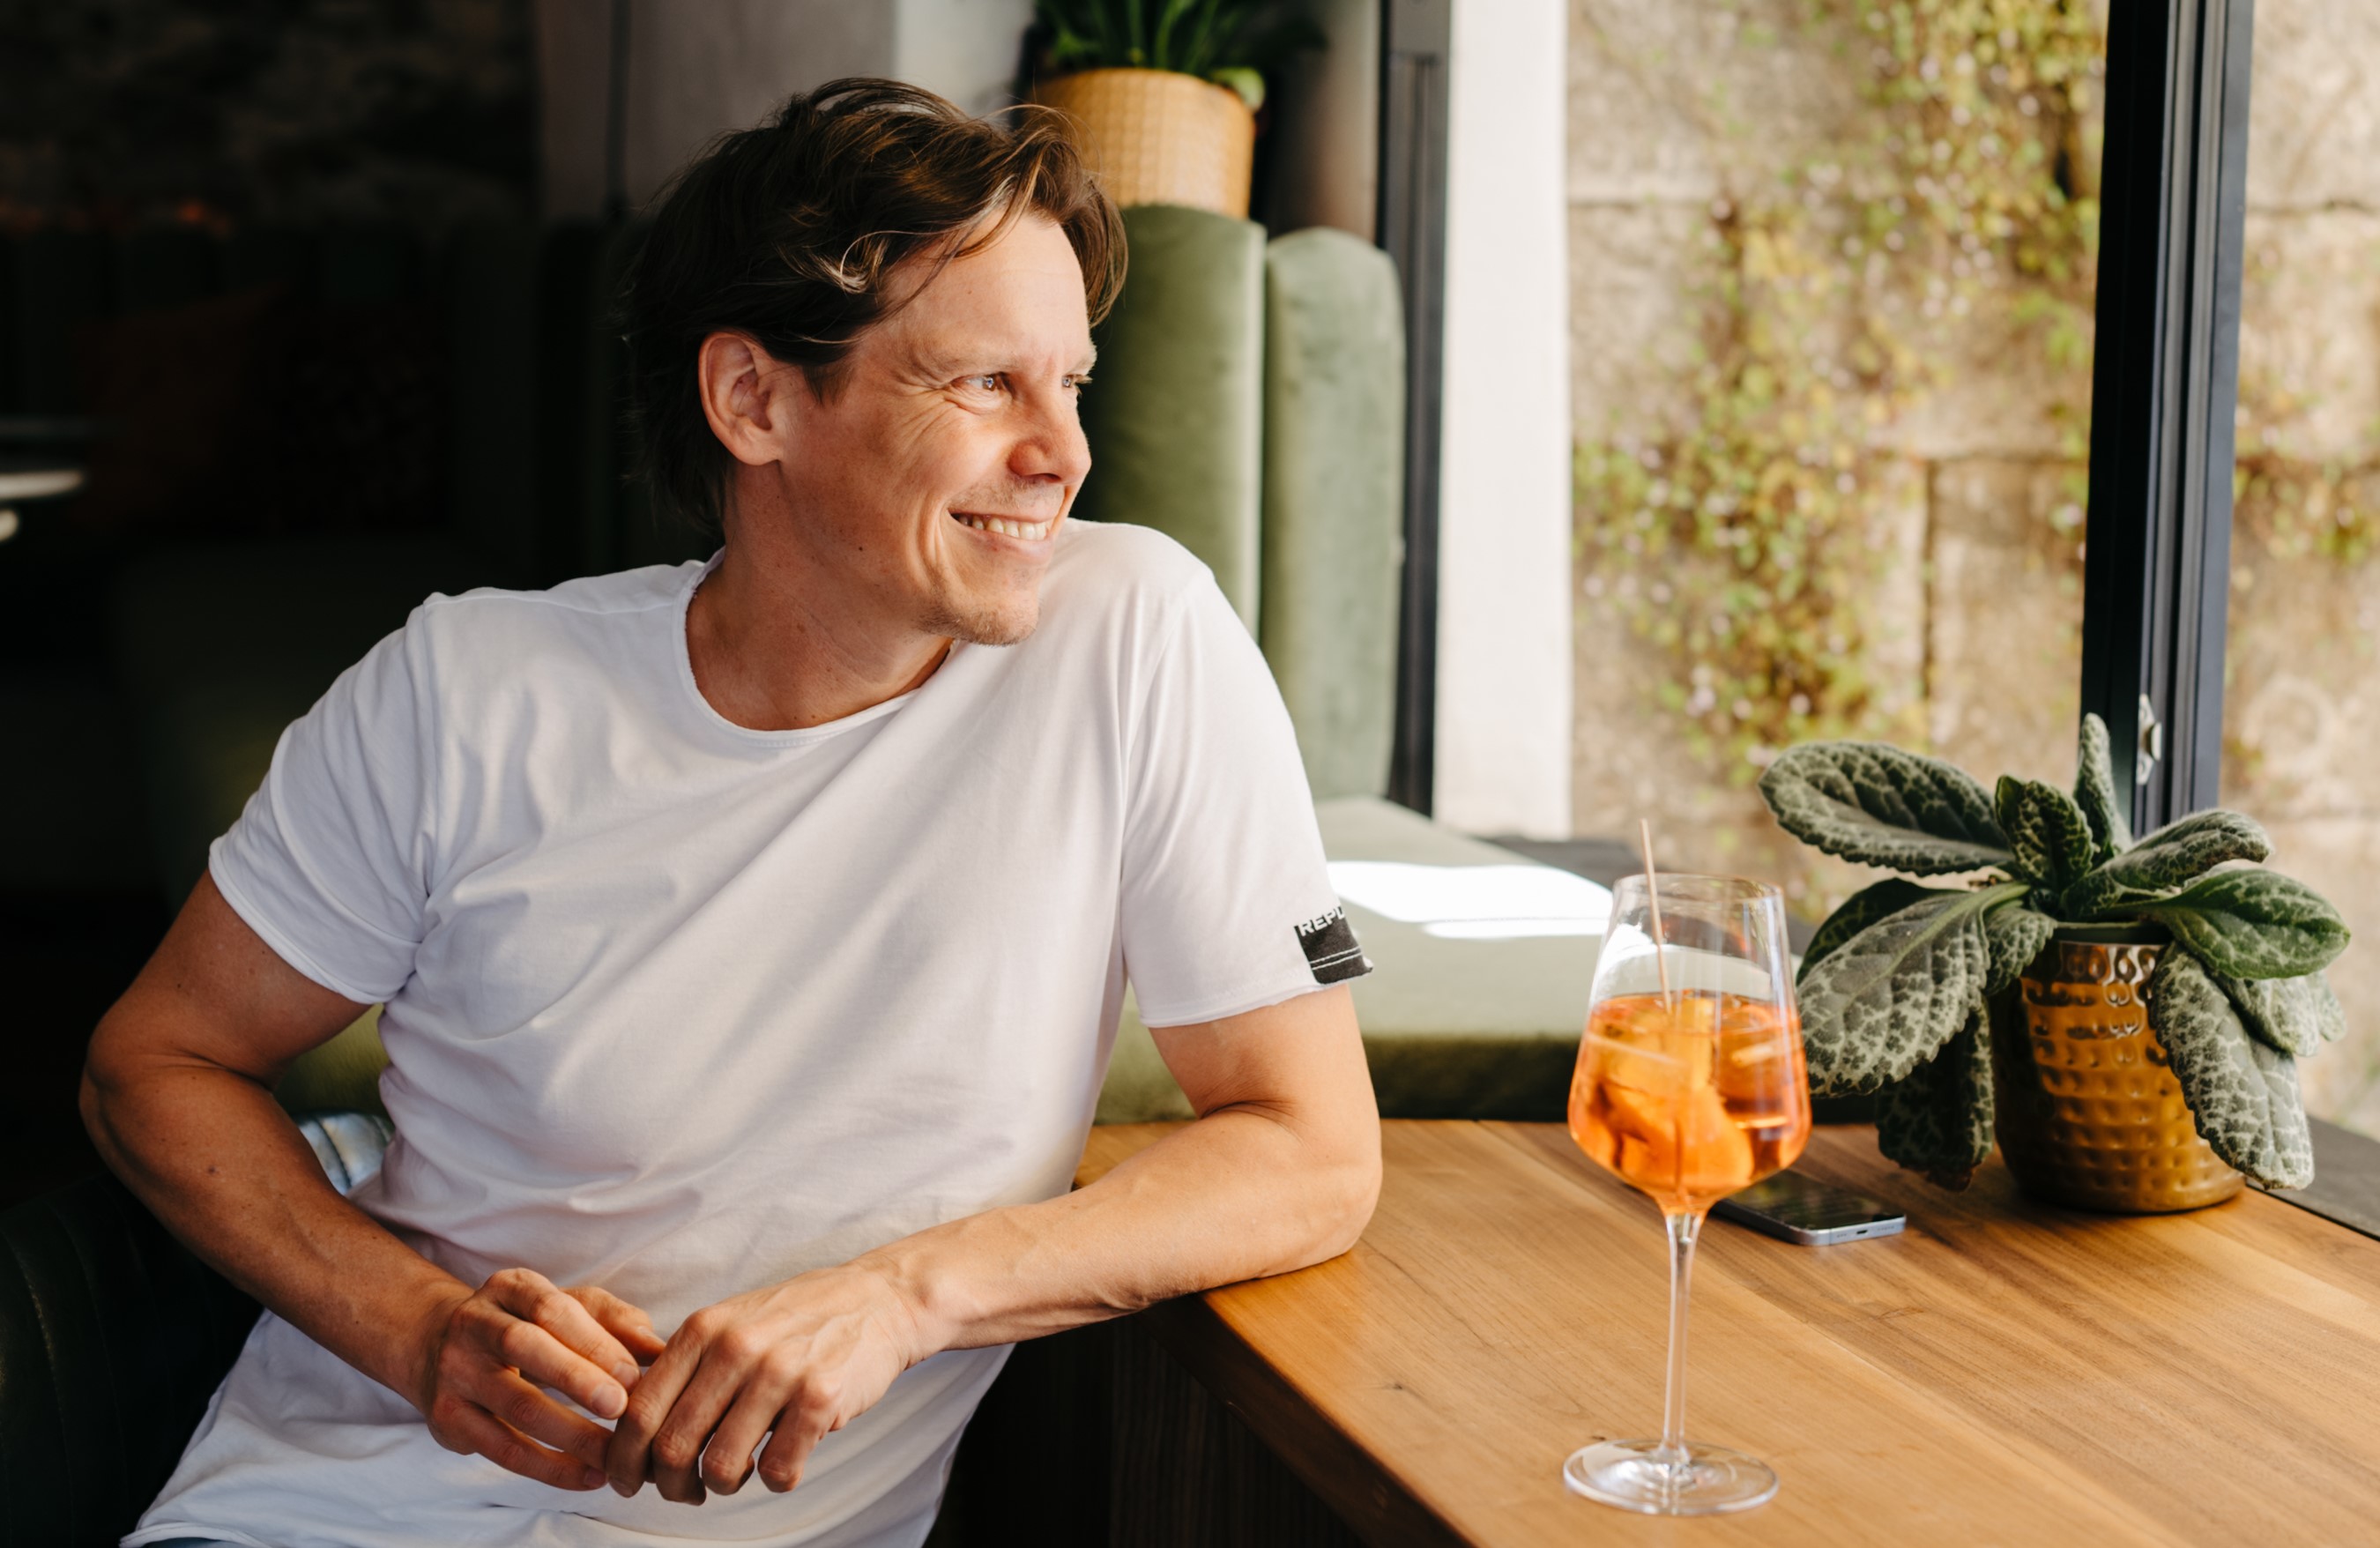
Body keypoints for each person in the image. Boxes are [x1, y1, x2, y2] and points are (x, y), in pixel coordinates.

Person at [82, 78, 1381, 1548]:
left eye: (1070, 382)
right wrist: (421, 1333)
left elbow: (1313, 1149)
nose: (1063, 454)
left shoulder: (1137, 637)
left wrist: (905, 1293)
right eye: (984, 386)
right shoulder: (464, 693)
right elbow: (156, 1061)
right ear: (753, 400)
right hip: (327, 1513)